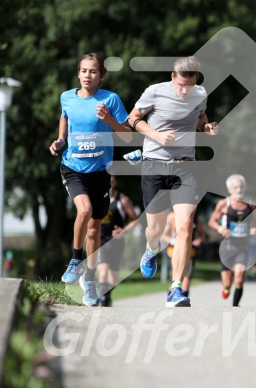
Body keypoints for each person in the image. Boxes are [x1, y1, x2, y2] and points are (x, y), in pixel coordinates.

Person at [127, 56, 218, 307]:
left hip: (185, 165)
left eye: (188, 86)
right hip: (154, 164)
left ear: (196, 81)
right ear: (172, 77)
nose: (184, 91)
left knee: (185, 226)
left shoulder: (200, 93)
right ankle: (152, 248)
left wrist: (206, 126)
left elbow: (200, 117)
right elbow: (133, 119)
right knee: (155, 229)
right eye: (180, 85)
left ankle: (176, 289)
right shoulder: (154, 92)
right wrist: (157, 136)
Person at [49, 52, 131, 307]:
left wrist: (109, 120)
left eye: (93, 71)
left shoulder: (110, 100)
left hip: (100, 172)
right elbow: (65, 117)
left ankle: (91, 278)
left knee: (94, 228)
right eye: (84, 70)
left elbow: (128, 136)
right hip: (73, 167)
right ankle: (75, 260)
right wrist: (61, 140)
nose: (88, 75)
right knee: (83, 210)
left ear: (102, 76)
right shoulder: (67, 97)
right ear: (78, 73)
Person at [208, 174, 256, 307]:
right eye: (235, 187)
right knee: (227, 283)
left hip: (243, 246)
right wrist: (221, 230)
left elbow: (254, 224)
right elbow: (211, 221)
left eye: (241, 186)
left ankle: (235, 307)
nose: (238, 189)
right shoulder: (224, 204)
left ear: (245, 187)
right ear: (229, 190)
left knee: (239, 278)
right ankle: (225, 287)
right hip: (227, 246)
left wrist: (254, 229)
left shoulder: (251, 205)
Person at [97, 175, 138, 307]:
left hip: (116, 241)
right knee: (102, 272)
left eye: (112, 180)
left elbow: (135, 219)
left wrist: (124, 231)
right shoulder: (97, 198)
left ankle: (106, 296)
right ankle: (103, 300)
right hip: (101, 240)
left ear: (115, 182)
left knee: (113, 278)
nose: (109, 182)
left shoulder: (123, 200)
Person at [161, 209, 206, 297]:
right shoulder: (172, 216)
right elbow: (162, 235)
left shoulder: (195, 217)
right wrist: (172, 240)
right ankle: (171, 299)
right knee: (174, 283)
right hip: (173, 253)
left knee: (185, 282)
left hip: (190, 254)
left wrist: (199, 240)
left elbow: (202, 234)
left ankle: (183, 306)